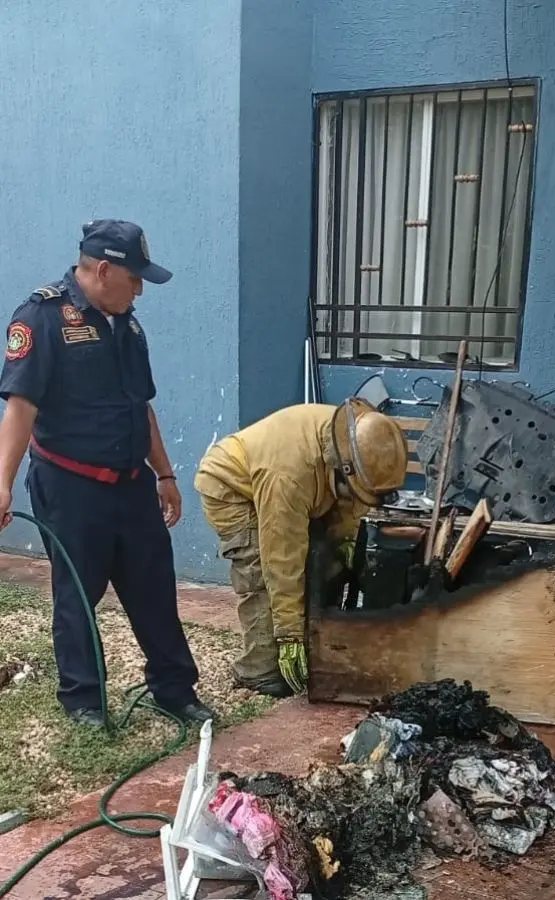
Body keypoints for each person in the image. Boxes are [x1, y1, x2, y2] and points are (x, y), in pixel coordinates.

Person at [0, 219, 214, 727]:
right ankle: (84, 703)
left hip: (132, 483)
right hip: (70, 485)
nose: (139, 290)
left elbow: (141, 406)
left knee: (154, 586)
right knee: (78, 594)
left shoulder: (129, 325)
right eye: (134, 278)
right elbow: (21, 408)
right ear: (102, 269)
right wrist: (2, 484)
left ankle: (174, 690)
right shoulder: (43, 317)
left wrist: (164, 474)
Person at [193, 400, 410, 698]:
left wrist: (344, 542)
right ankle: (257, 671)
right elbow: (282, 558)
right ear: (342, 469)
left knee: (324, 558)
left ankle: (315, 645)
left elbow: (351, 504)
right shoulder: (289, 476)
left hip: (299, 481)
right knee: (260, 576)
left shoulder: (358, 441)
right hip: (230, 487)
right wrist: (289, 634)